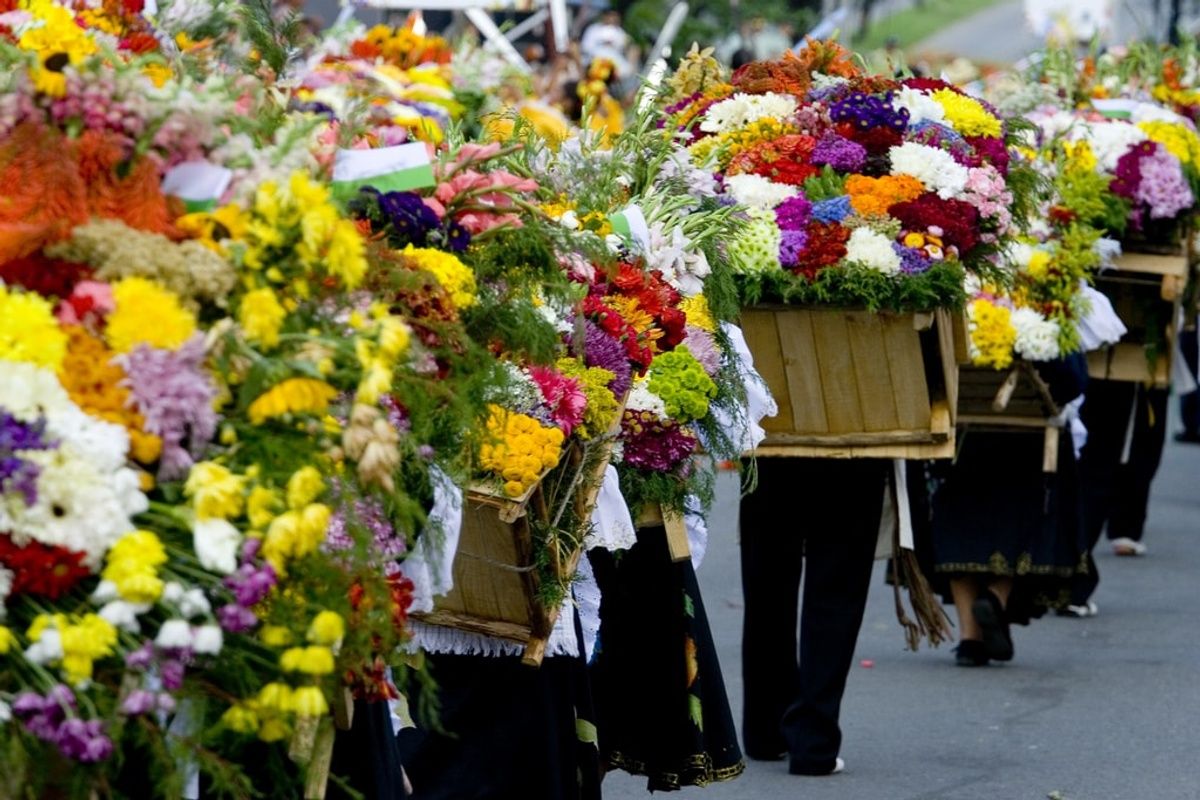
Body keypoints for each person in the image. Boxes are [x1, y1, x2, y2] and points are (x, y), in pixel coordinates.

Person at [928, 356, 1089, 665]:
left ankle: (969, 640)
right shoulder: (1051, 309)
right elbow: (1071, 383)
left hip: (964, 434)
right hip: (1028, 438)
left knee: (958, 526)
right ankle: (995, 597)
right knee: (1023, 522)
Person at [739, 457, 889, 775]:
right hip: (856, 441)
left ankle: (766, 728)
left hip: (772, 436)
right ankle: (812, 739)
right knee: (837, 584)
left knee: (767, 582)